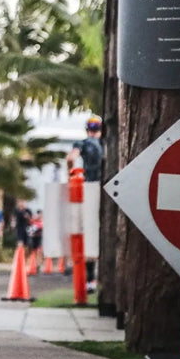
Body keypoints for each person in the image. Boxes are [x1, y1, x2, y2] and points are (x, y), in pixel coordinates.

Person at [65, 114, 103, 293]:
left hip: (88, 189)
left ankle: (91, 280)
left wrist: (70, 174)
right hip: (107, 188)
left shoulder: (82, 144)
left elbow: (71, 158)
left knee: (87, 233)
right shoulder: (106, 143)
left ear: (87, 129)